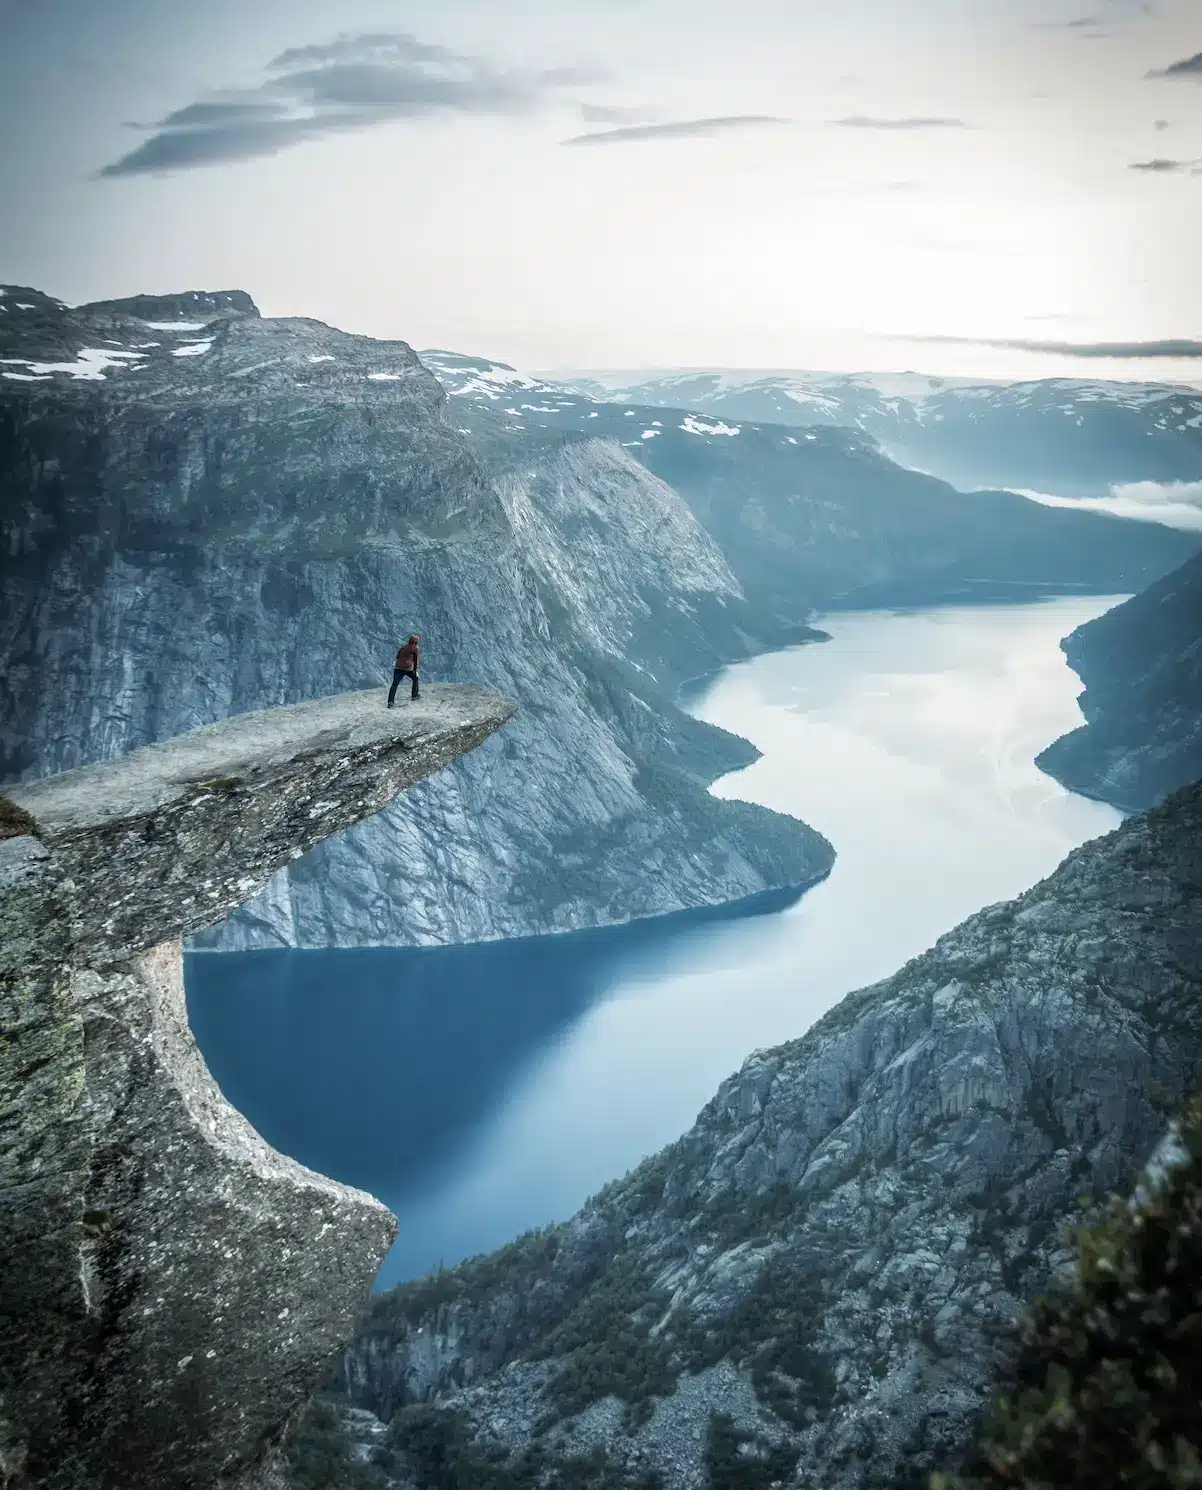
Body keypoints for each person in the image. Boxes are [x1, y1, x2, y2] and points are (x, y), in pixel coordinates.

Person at [388, 634, 421, 706]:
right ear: (416, 642)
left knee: (394, 684)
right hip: (408, 669)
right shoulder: (416, 649)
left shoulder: (403, 647)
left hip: (398, 668)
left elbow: (397, 657)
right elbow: (416, 661)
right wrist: (415, 671)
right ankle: (414, 696)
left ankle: (390, 702)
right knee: (415, 678)